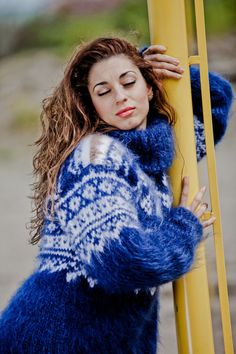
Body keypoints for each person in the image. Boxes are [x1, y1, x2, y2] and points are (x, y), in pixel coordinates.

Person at [0, 37, 233, 353]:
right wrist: (185, 226)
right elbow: (122, 261)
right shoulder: (95, 157)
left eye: (129, 82)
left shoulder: (154, 154)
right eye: (104, 92)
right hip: (55, 338)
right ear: (90, 104)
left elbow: (216, 104)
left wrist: (176, 71)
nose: (120, 97)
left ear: (149, 87)